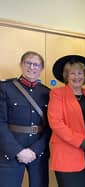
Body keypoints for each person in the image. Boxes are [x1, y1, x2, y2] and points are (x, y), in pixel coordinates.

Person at [47, 55, 85, 187]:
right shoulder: (57, 94)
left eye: (80, 73)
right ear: (66, 76)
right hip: (67, 154)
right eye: (72, 73)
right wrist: (81, 142)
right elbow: (56, 123)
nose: (76, 77)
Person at [0, 51, 50, 187]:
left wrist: (36, 150)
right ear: (21, 65)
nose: (32, 67)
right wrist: (17, 151)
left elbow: (50, 127)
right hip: (10, 151)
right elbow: (1, 123)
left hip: (38, 152)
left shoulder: (47, 93)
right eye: (28, 63)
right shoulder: (5, 88)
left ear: (41, 69)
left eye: (36, 65)